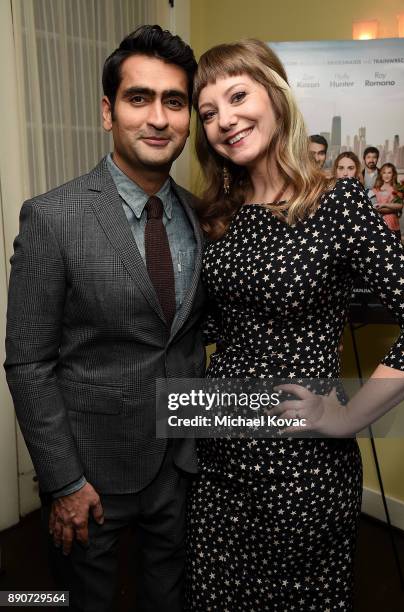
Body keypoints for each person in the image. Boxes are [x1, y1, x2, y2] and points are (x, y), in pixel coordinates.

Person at [185, 38, 404, 611]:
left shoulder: (337, 204)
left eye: (238, 96)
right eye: (208, 112)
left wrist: (348, 417)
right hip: (218, 458)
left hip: (299, 466)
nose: (224, 120)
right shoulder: (219, 213)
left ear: (276, 97)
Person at [4, 25, 206, 612]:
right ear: (107, 111)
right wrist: (64, 481)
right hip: (90, 473)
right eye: (138, 98)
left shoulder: (203, 218)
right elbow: (29, 362)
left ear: (188, 119)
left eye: (174, 101)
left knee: (170, 597)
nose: (158, 118)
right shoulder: (53, 217)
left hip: (181, 463)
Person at [370, 163, 404, 240]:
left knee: (395, 250)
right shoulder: (375, 190)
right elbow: (374, 208)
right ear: (381, 174)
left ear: (393, 174)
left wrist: (383, 204)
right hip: (378, 226)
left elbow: (400, 206)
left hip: (393, 226)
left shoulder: (397, 189)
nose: (386, 175)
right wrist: (392, 207)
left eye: (389, 172)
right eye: (384, 172)